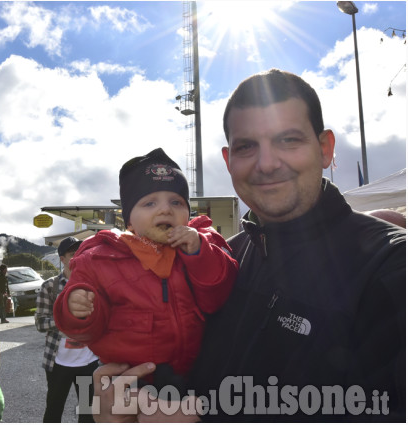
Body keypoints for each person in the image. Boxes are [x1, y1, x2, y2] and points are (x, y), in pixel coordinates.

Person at [92, 69, 406, 422]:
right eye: (246, 146)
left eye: (289, 140)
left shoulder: (393, 266)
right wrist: (123, 405)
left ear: (324, 149)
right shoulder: (224, 257)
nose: (267, 163)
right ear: (228, 161)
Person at [53, 148, 238, 393]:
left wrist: (198, 252)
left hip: (197, 377)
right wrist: (75, 309)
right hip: (130, 381)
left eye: (176, 202)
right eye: (149, 203)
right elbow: (85, 331)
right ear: (129, 221)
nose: (165, 210)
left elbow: (220, 295)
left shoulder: (204, 242)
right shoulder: (99, 258)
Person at [36, 236, 99, 423]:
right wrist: (66, 318)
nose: (79, 257)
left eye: (83, 253)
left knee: (88, 414)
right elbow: (40, 323)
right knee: (54, 411)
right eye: (73, 254)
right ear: (62, 259)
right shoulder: (49, 286)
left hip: (89, 361)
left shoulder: (95, 284)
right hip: (58, 362)